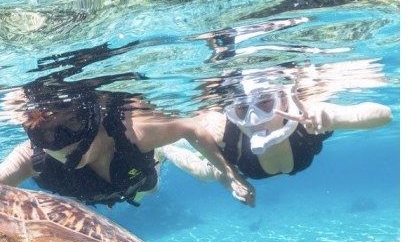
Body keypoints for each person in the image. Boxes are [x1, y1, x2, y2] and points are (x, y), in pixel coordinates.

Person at [0, 78, 255, 207]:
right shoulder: (33, 157)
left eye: (72, 124)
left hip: (142, 179)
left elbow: (193, 129)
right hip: (111, 189)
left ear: (94, 118)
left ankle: (173, 155)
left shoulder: (134, 134)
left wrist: (230, 176)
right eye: (46, 134)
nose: (62, 144)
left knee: (156, 181)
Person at [157, 75, 392, 201]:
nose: (254, 119)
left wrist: (329, 118)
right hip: (242, 165)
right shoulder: (226, 132)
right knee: (204, 173)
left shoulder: (307, 117)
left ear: (284, 98)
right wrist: (231, 182)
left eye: (265, 104)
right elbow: (187, 129)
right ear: (230, 111)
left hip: (279, 157)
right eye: (241, 110)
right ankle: (165, 150)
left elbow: (384, 115)